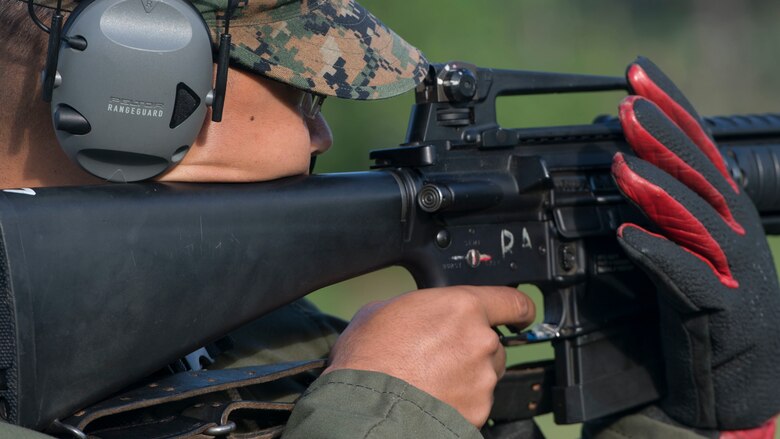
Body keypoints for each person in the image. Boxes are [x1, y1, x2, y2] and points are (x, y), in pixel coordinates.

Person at [0, 1, 778, 439]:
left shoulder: (273, 342)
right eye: (304, 94)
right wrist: (384, 413)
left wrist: (708, 415)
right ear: (132, 82)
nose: (323, 136)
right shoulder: (363, 380)